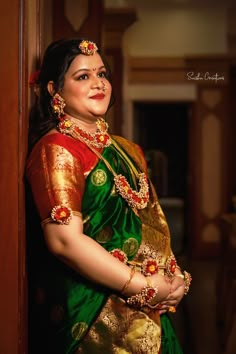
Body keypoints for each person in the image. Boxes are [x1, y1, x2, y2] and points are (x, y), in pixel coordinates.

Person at [25, 37, 192, 354]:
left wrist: (174, 277)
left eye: (102, 74)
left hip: (148, 308)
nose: (98, 84)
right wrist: (143, 287)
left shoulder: (127, 149)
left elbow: (153, 221)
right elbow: (64, 241)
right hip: (93, 317)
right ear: (53, 90)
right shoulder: (57, 150)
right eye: (83, 76)